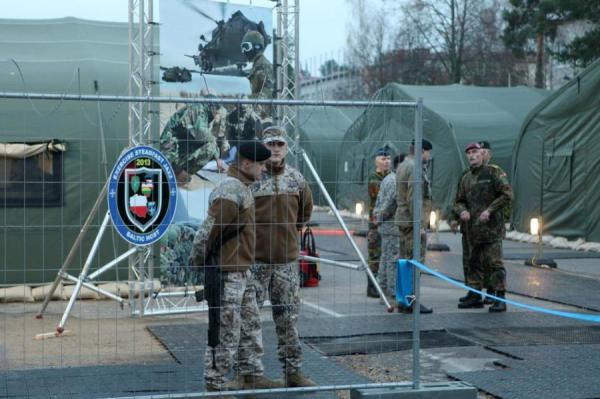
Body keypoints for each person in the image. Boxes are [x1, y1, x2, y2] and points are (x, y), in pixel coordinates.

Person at [190, 140, 280, 395]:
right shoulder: (231, 190)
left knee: (250, 325)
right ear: (247, 163)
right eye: (261, 164)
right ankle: (215, 383)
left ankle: (251, 374)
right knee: (225, 331)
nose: (264, 169)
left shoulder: (242, 187)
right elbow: (207, 233)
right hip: (227, 273)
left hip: (241, 272)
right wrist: (201, 262)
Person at [244, 126, 315, 387]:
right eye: (270, 144)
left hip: (286, 264)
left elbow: (305, 214)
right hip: (256, 264)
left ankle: (293, 372)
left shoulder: (297, 180)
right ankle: (250, 375)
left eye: (279, 144)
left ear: (286, 148)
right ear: (264, 148)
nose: (275, 149)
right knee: (249, 321)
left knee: (288, 321)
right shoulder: (252, 179)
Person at [455, 142, 513, 312]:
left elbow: (507, 195)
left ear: (483, 154)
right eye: (469, 153)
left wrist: (490, 210)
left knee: (494, 264)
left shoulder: (493, 172)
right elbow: (458, 200)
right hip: (472, 230)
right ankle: (474, 295)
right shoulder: (466, 177)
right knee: (472, 263)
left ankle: (499, 297)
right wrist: (462, 211)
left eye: (475, 152)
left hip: (491, 229)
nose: (472, 155)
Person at [394, 139, 434, 314]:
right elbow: (414, 198)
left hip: (404, 220)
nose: (429, 157)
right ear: (422, 151)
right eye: (428, 153)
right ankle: (411, 302)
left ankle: (404, 300)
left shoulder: (404, 165)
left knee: (405, 261)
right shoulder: (414, 168)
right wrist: (420, 225)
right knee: (414, 263)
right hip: (412, 223)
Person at [160, 104, 221, 183]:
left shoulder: (202, 113)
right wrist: (217, 154)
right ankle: (179, 174)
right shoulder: (199, 109)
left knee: (209, 147)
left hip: (177, 150)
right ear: (212, 107)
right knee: (210, 148)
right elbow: (201, 132)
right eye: (217, 111)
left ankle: (180, 173)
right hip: (169, 153)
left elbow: (196, 135)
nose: (217, 114)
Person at [373, 154, 404, 304]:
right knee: (391, 260)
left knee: (385, 259)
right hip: (392, 225)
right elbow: (390, 203)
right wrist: (380, 217)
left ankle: (383, 293)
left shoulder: (388, 179)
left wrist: (378, 217)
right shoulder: (395, 180)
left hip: (387, 226)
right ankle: (391, 294)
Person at [366, 147, 391, 298]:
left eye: (388, 159)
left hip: (386, 223)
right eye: (383, 159)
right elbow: (382, 195)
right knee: (374, 256)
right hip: (375, 224)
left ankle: (382, 284)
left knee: (385, 255)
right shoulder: (374, 178)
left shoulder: (389, 177)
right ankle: (372, 286)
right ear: (377, 161)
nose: (387, 162)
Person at [241, 30, 274, 119]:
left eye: (246, 47)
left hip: (265, 116)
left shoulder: (264, 65)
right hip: (258, 112)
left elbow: (268, 92)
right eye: (242, 47)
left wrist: (247, 99)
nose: (244, 51)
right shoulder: (257, 65)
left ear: (256, 47)